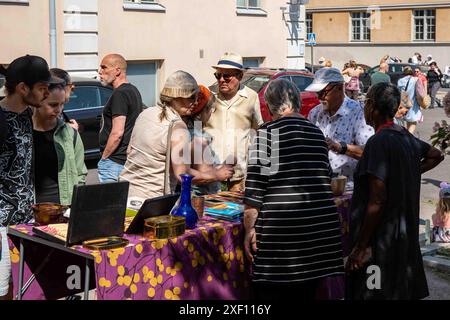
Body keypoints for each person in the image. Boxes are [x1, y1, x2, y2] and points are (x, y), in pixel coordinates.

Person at [244, 78, 344, 300]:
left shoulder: (266, 134)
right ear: (297, 103)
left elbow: (254, 194)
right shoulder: (317, 134)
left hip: (282, 240)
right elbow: (325, 177)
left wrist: (249, 230)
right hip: (318, 238)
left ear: (270, 106)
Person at [346, 82, 444, 300]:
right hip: (401, 240)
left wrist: (361, 246)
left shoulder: (378, 142)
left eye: (366, 103)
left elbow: (377, 200)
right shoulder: (402, 135)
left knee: (373, 292)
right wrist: (406, 173)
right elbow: (436, 155)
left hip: (379, 245)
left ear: (372, 107)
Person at [0, 55, 62, 300]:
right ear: (23, 88)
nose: (47, 94)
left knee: (24, 289)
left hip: (24, 223)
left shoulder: (27, 114)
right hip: (1, 226)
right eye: (42, 88)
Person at [120, 71, 234, 204]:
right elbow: (182, 174)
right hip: (150, 200)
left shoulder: (146, 114)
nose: (195, 102)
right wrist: (215, 175)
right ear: (175, 96)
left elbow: (129, 151)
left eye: (197, 97)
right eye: (191, 97)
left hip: (125, 193)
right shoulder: (178, 127)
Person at [204, 52, 263, 192]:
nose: (221, 80)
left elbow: (257, 131)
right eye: (218, 75)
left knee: (236, 211)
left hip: (238, 173)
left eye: (227, 76)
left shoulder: (251, 97)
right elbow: (197, 128)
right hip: (210, 173)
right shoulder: (208, 95)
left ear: (240, 76)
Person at [306, 67, 374, 187]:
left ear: (338, 88)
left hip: (349, 187)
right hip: (319, 185)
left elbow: (368, 153)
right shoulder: (315, 113)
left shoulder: (358, 113)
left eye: (323, 92)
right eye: (318, 93)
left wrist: (340, 147)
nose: (319, 97)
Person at [32, 83, 87, 204]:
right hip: (29, 210)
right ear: (37, 102)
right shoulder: (23, 132)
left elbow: (80, 172)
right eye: (53, 105)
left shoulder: (69, 133)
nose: (59, 110)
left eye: (62, 104)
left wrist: (74, 203)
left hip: (63, 207)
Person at [97, 53, 143, 182]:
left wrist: (105, 158)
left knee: (110, 202)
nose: (100, 71)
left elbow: (117, 132)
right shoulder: (133, 90)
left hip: (114, 161)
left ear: (117, 71)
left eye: (104, 67)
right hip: (126, 159)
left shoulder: (120, 93)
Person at [186, 85, 222, 195]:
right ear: (202, 111)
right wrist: (221, 172)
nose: (211, 113)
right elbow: (202, 175)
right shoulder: (197, 138)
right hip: (201, 199)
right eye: (211, 109)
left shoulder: (186, 130)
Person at [397, 66, 422, 134]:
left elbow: (398, 92)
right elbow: (420, 93)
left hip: (404, 103)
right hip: (413, 103)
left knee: (408, 121)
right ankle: (408, 138)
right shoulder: (415, 79)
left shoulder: (400, 80)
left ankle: (407, 137)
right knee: (413, 122)